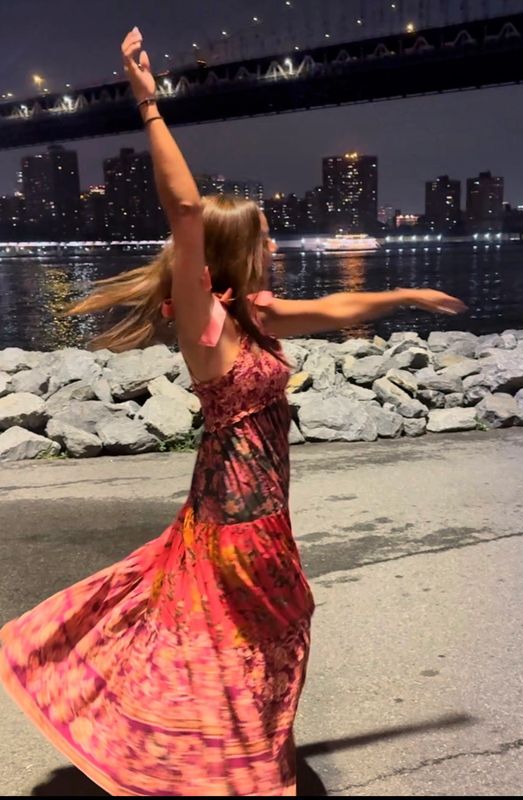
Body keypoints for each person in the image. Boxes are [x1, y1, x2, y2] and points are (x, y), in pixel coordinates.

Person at [0, 27, 467, 797]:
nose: (275, 244)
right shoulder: (207, 326)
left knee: (264, 638)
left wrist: (406, 294)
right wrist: (148, 103)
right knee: (240, 645)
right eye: (265, 236)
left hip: (264, 519)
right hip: (229, 528)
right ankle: (231, 769)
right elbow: (184, 209)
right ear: (233, 248)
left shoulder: (258, 315)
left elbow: (337, 307)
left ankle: (232, 763)